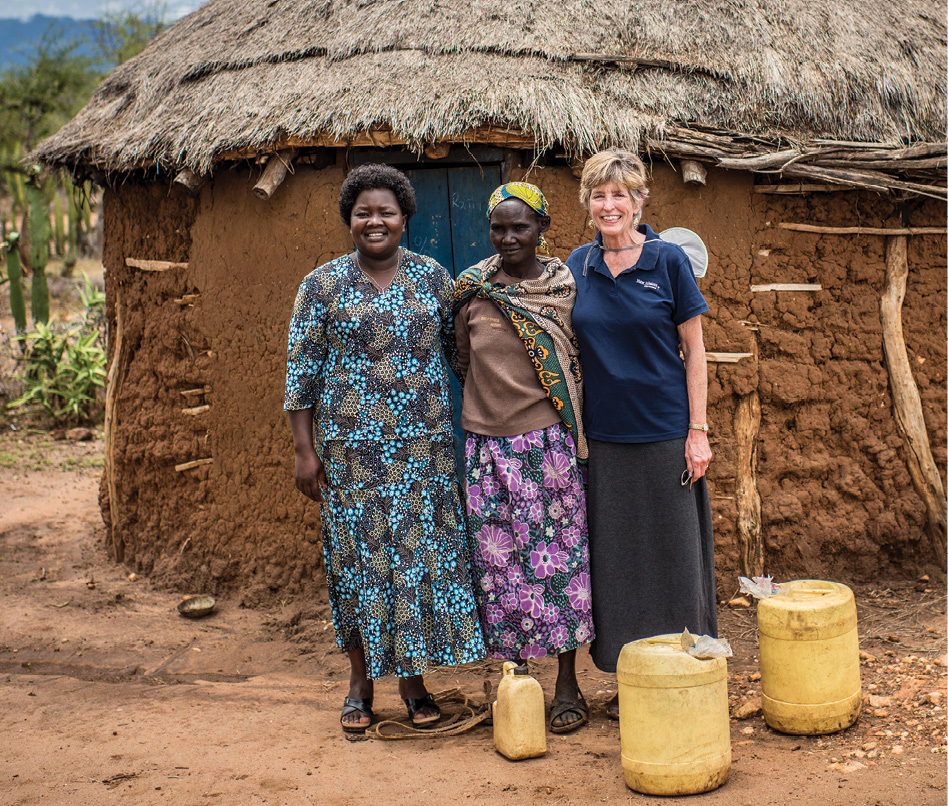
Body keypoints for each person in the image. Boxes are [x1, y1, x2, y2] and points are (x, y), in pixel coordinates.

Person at [285, 163, 485, 735]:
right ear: (350, 219)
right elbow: (301, 373)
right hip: (351, 455)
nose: (375, 221)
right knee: (359, 566)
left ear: (405, 219)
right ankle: (359, 683)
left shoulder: (432, 279)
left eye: (386, 212)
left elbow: (462, 356)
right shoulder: (321, 285)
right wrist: (305, 451)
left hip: (422, 452)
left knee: (416, 564)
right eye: (363, 212)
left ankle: (414, 682)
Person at [565, 149, 717, 719]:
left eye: (620, 195)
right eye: (599, 195)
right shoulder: (576, 267)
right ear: (587, 204)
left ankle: (687, 668)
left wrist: (696, 431)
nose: (610, 205)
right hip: (604, 439)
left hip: (664, 433)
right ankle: (633, 674)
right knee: (619, 558)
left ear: (639, 201)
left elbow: (695, 352)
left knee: (676, 553)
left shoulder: (668, 261)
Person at [453, 182, 595, 733]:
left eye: (521, 227)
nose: (509, 238)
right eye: (499, 228)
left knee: (559, 564)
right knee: (503, 568)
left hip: (547, 447)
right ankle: (517, 684)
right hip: (486, 448)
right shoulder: (472, 293)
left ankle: (566, 684)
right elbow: (461, 360)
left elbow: (576, 358)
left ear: (542, 229)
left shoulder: (563, 290)